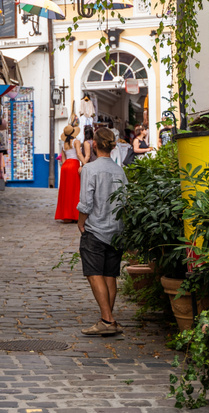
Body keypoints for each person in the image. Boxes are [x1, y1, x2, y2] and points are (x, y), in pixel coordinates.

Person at [77, 126, 128, 336]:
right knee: (110, 275)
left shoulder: (90, 169)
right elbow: (125, 201)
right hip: (116, 229)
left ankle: (107, 319)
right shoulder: (119, 170)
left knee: (94, 273)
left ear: (95, 145)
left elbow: (86, 203)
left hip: (96, 229)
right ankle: (108, 318)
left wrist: (81, 222)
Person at [55, 125, 82, 222]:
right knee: (75, 190)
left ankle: (66, 215)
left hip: (65, 166)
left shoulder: (64, 144)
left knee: (65, 190)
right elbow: (78, 154)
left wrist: (64, 165)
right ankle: (74, 215)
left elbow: (63, 158)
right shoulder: (76, 142)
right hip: (74, 165)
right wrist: (84, 163)